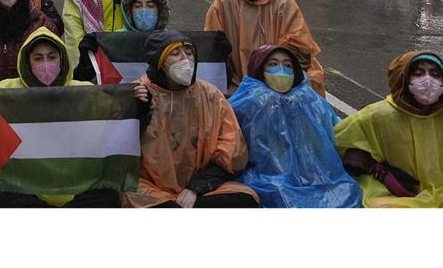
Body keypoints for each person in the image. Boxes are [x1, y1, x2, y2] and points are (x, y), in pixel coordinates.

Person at [0, 26, 109, 207]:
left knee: (108, 196)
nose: (46, 64)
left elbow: (118, 124)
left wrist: (140, 107)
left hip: (75, 185)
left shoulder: (83, 91)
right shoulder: (7, 92)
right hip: (25, 188)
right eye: (38, 58)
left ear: (62, 60)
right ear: (27, 62)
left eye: (52, 57)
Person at [123, 31, 260, 208]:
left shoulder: (209, 94)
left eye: (189, 53)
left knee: (243, 200)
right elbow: (120, 152)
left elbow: (232, 150)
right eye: (175, 53)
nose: (185, 60)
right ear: (159, 59)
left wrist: (197, 187)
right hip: (150, 188)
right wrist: (139, 112)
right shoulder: (139, 94)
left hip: (202, 186)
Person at [226, 44, 361, 208]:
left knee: (344, 192)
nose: (281, 71)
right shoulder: (251, 101)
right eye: (273, 64)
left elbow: (333, 126)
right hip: (270, 178)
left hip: (318, 175)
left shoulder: (306, 97)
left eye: (288, 65)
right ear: (260, 68)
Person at [204, 0, 325, 95]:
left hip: (277, 83)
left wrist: (274, 71)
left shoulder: (284, 4)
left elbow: (301, 50)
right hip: (236, 85)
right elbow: (209, 46)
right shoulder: (224, 2)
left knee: (310, 83)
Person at [333, 51, 443, 207]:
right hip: (396, 194)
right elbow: (336, 141)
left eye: (435, 74)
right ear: (402, 80)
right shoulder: (379, 115)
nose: (428, 81)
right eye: (418, 74)